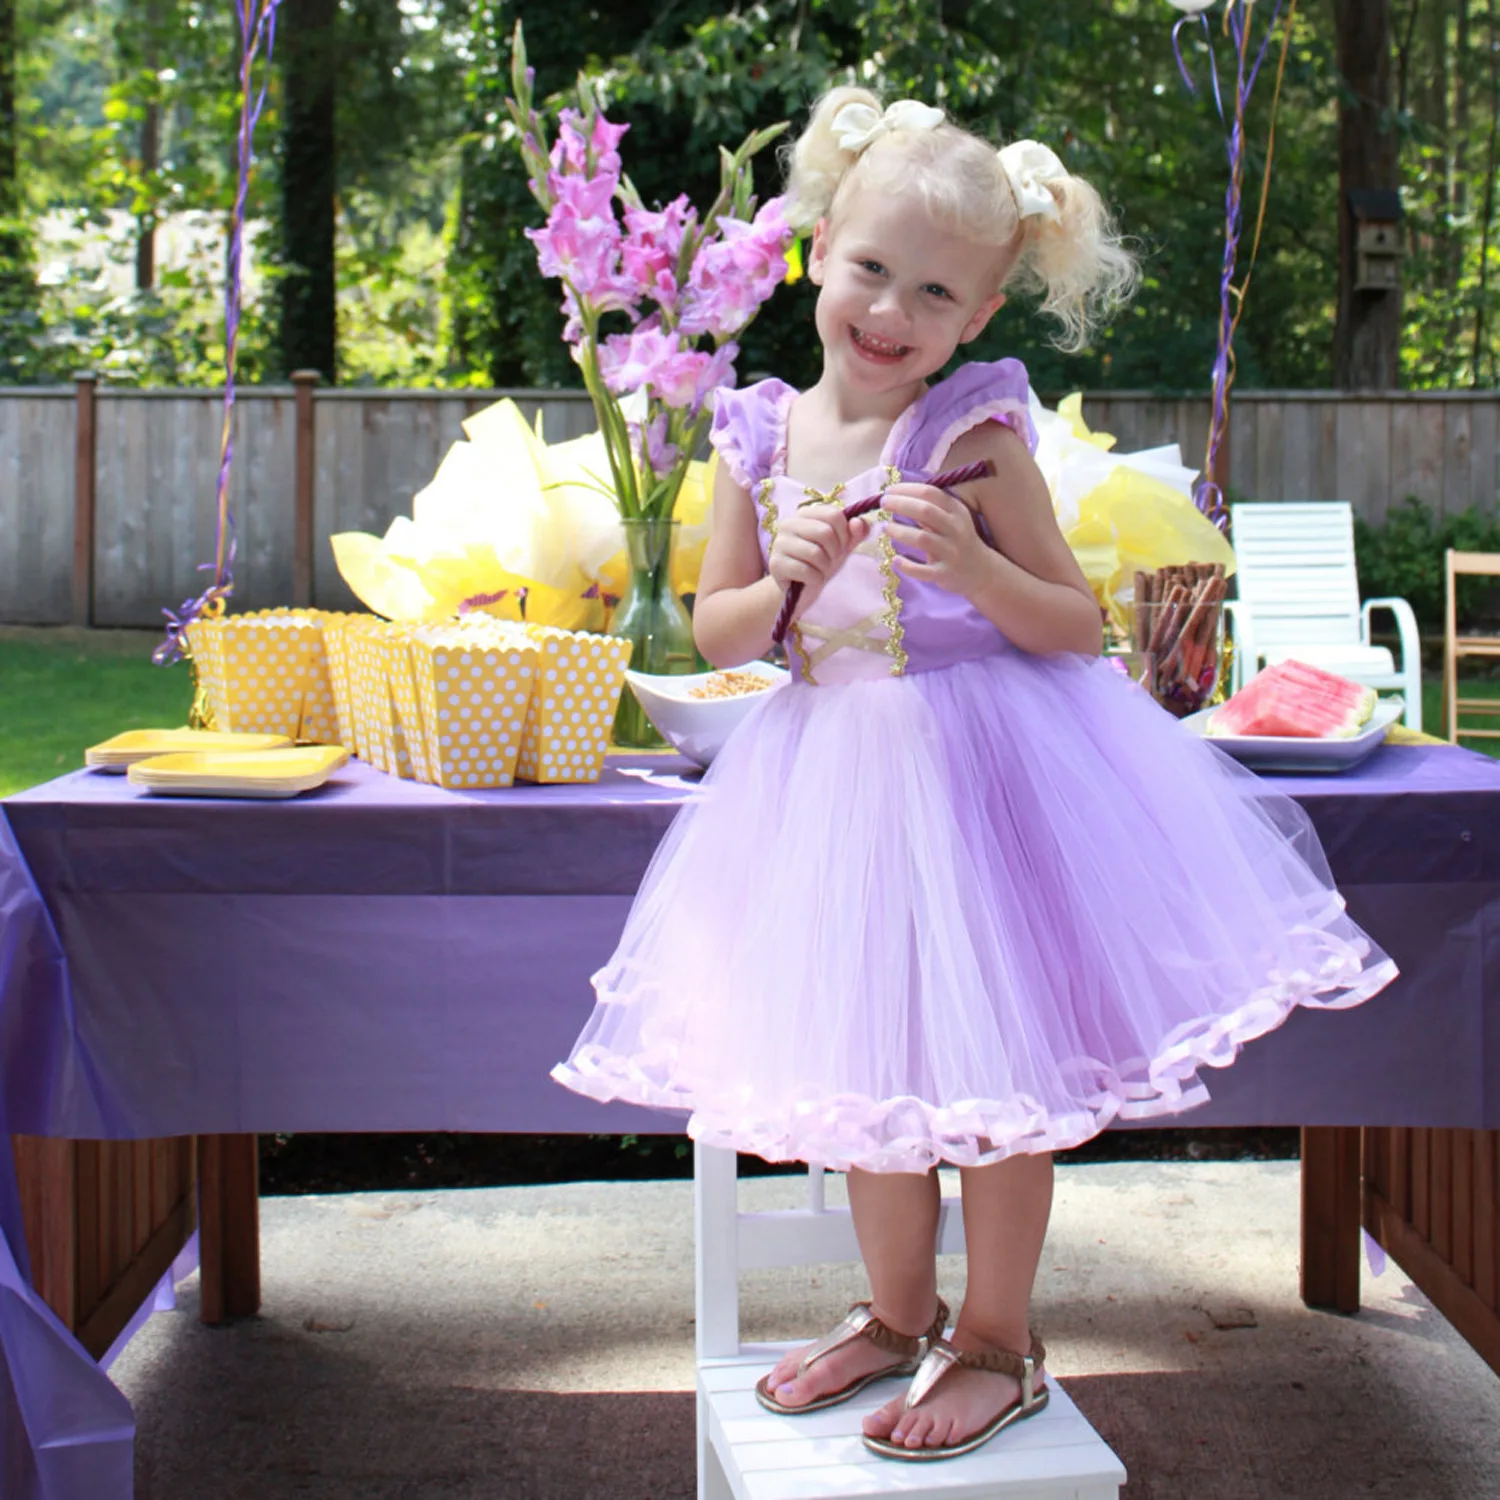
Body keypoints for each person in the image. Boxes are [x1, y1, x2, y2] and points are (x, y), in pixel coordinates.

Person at [553, 87, 1397, 1463]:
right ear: (818, 249)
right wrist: (786, 577)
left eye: (936, 293)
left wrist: (980, 568)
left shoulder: (976, 437)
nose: (892, 312)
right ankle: (896, 1315)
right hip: (827, 795)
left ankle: (997, 1339)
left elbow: (1078, 628)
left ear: (980, 318)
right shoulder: (755, 436)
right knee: (871, 1075)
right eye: (873, 270)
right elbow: (715, 629)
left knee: (1000, 1082)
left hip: (982, 790)